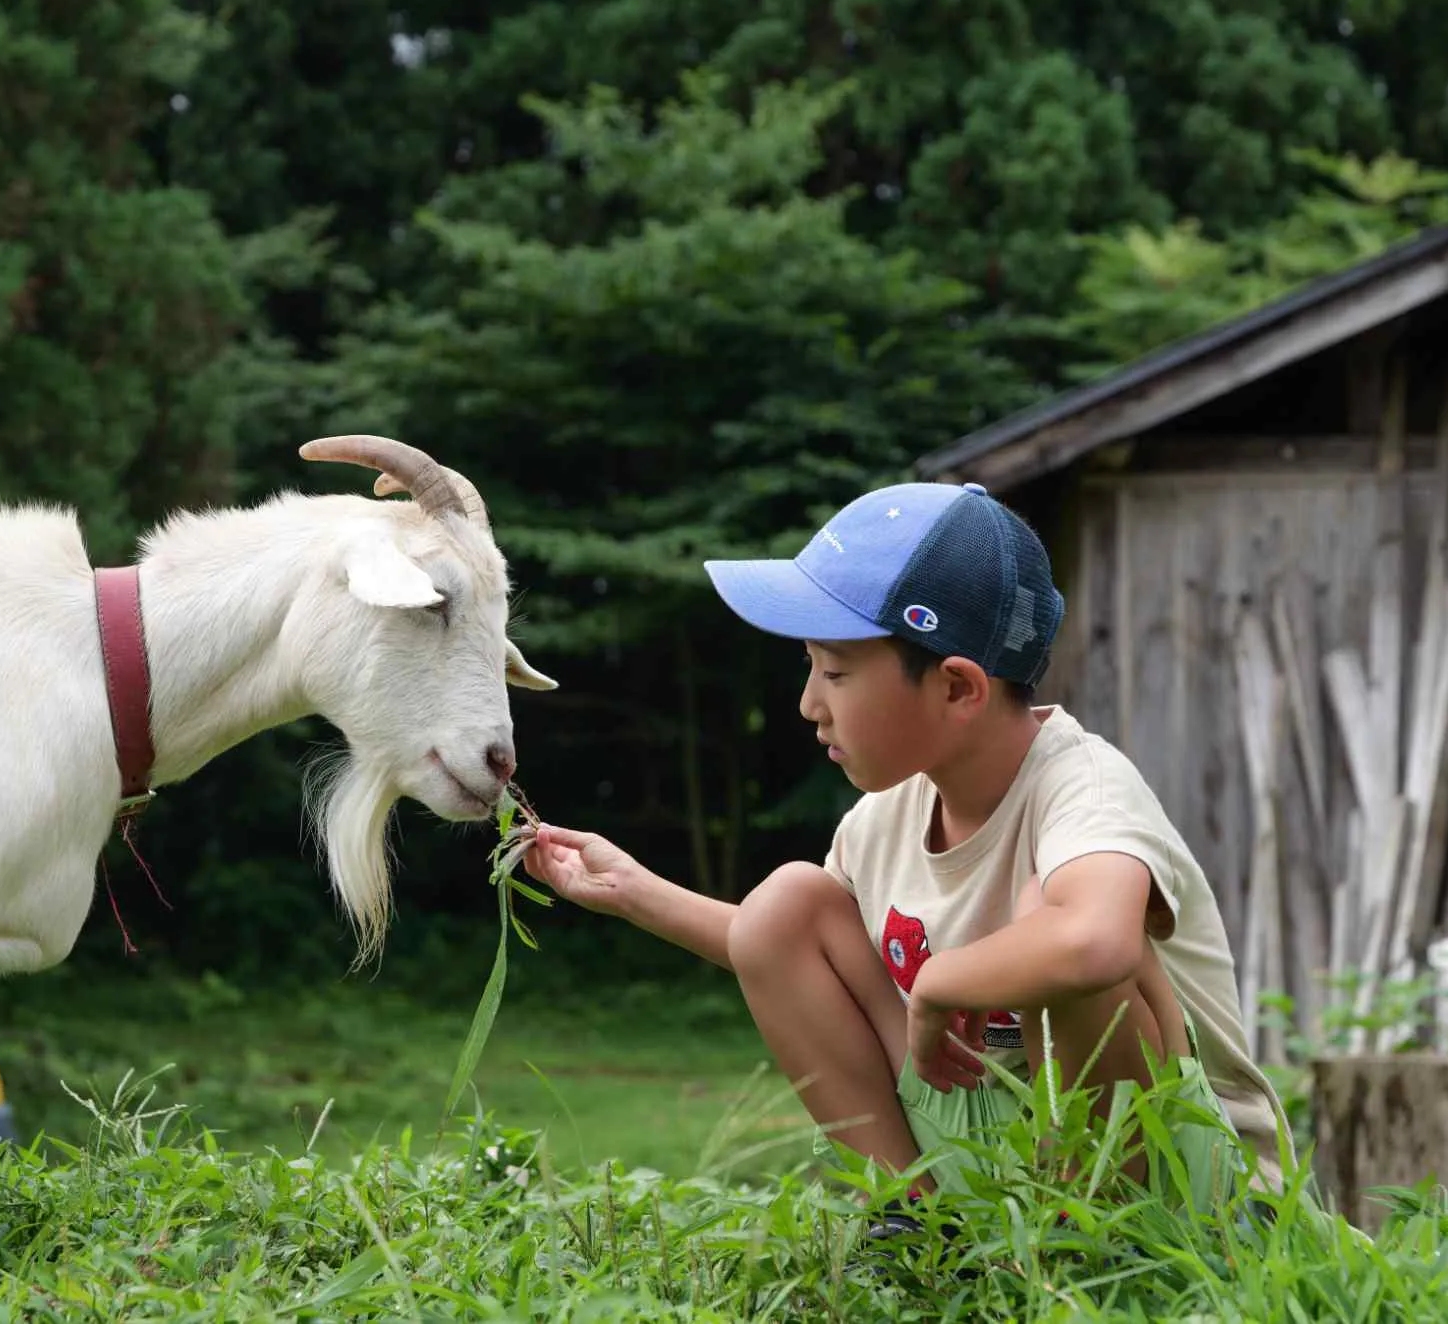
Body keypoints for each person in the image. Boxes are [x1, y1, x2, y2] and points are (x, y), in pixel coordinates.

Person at [517, 479, 1292, 1216]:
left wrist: (941, 983)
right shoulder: (883, 818)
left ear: (957, 688)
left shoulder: (1084, 790)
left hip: (1185, 1177)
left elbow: (1095, 944)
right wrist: (634, 892)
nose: (808, 704)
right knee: (787, 903)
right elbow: (777, 949)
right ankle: (916, 1225)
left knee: (1051, 924)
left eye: (837, 672)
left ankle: (1103, 1245)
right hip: (1000, 1156)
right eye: (811, 669)